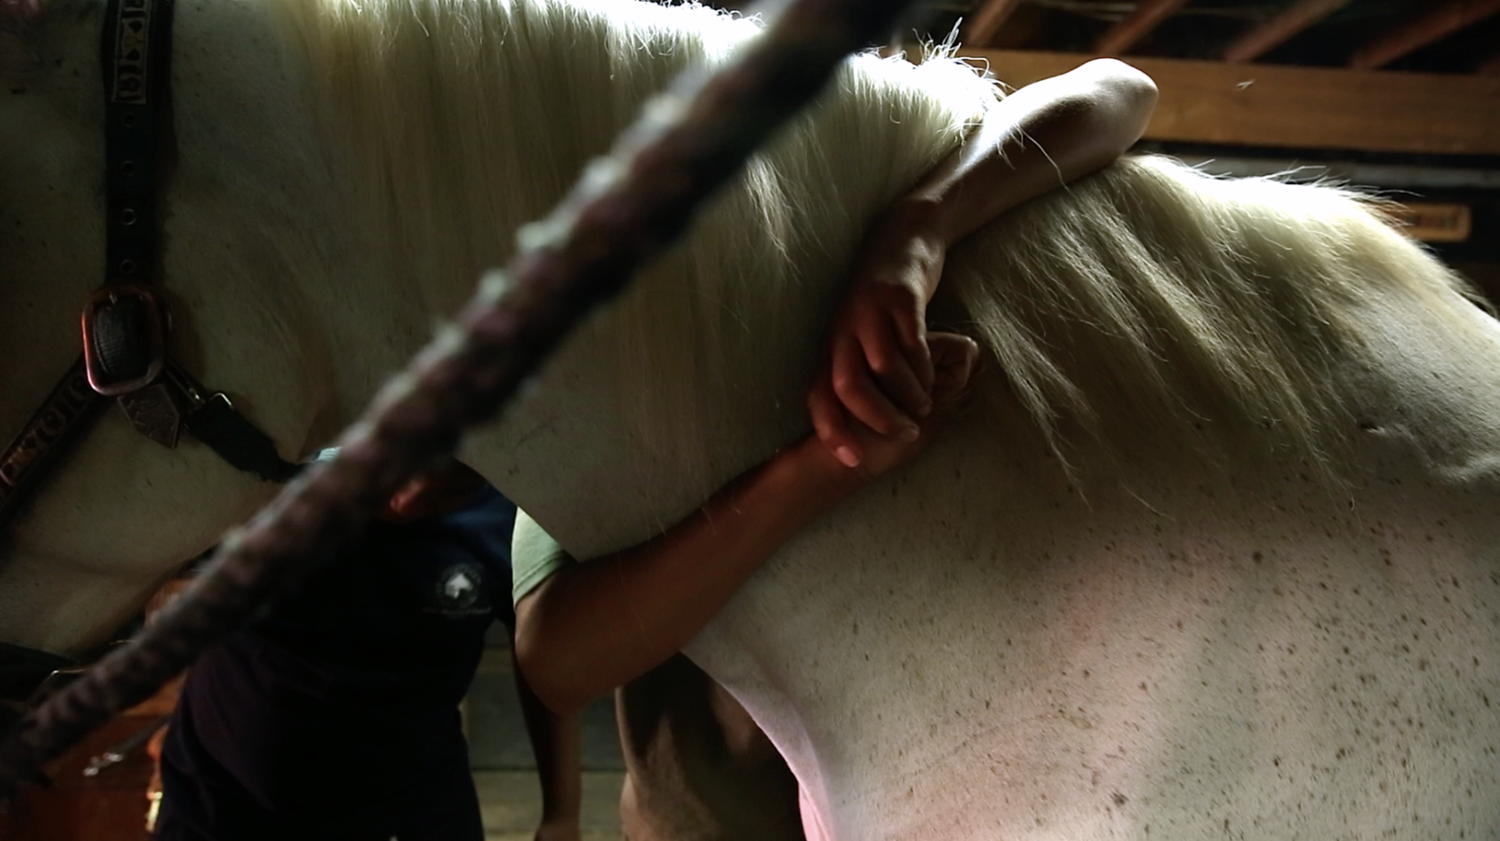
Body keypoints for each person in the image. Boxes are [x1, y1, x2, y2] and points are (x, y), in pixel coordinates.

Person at [511, 58, 1159, 840]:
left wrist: (918, 229)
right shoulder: (615, 381)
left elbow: (1121, 91)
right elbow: (557, 658)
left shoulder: (852, 291)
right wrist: (824, 468)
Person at [153, 462, 582, 841]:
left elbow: (545, 662)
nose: (406, 500)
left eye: (447, 489)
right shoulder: (275, 478)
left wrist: (561, 813)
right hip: (220, 797)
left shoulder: (512, 518)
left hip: (411, 799)